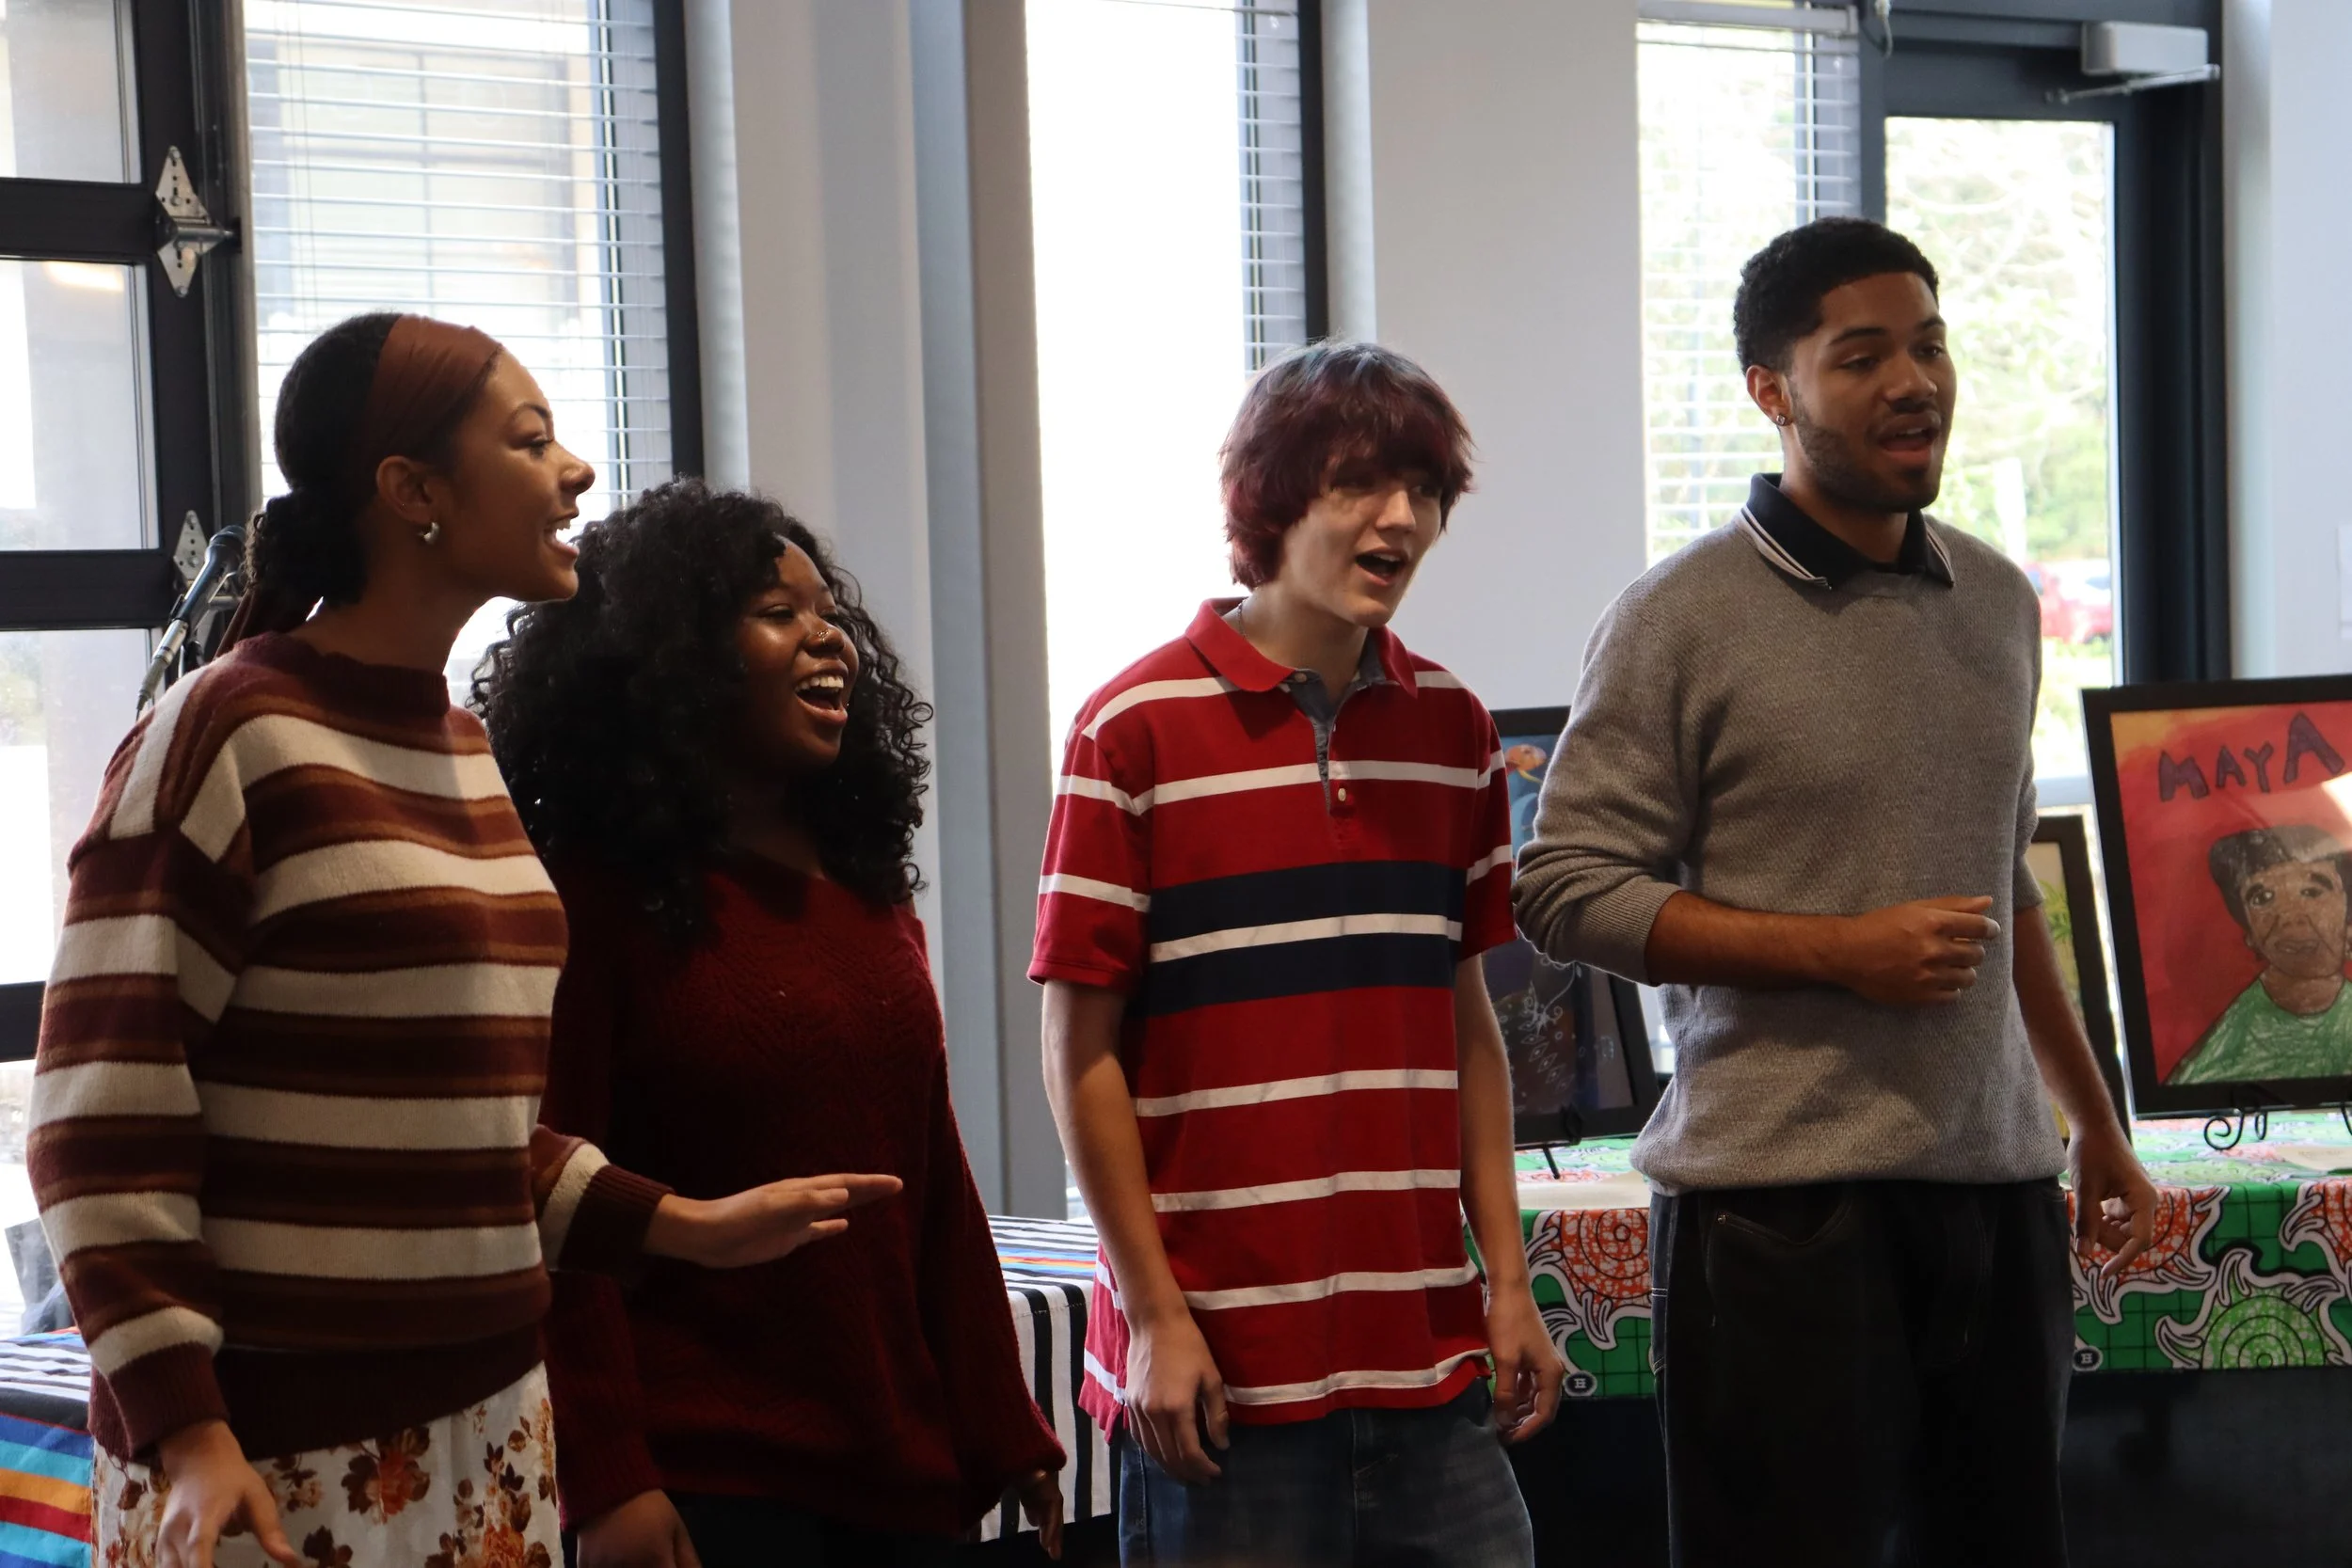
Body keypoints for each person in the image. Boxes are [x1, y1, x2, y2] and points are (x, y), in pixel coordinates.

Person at [30, 315, 898, 1568]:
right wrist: (190, 1427)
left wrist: (682, 1224)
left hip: (488, 1435)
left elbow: (460, 1123)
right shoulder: (229, 732)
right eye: (531, 440)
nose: (576, 471)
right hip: (275, 1459)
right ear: (414, 491)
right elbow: (96, 1124)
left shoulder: (459, 747)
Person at [1515, 218, 2163, 1567]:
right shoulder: (1678, 615)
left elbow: (2003, 880)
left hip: (1997, 1192)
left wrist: (2094, 1120)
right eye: (1861, 356)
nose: (1912, 382)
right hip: (1779, 1214)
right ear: (1772, 388)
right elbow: (1565, 888)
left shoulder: (1997, 599)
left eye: (1929, 345)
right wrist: (1837, 950)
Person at [1033, 341, 1562, 1567]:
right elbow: (1078, 1051)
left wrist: (1509, 1281)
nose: (1402, 519)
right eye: (1360, 483)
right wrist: (1154, 1316)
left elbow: (1465, 1027)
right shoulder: (1131, 728)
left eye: (1424, 489)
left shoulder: (1454, 730)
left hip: (1428, 1362)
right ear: (1269, 500)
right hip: (1221, 1380)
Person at [474, 481, 1066, 1568]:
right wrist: (609, 1477)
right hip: (708, 1478)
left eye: (828, 614)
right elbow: (556, 1205)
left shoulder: (866, 889)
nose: (828, 639)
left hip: (900, 1469)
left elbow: (928, 1177)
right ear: (673, 658)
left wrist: (1003, 1423)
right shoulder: (590, 902)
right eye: (777, 612)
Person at [2171, 824, 2352, 1084]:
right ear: (2250, 934)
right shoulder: (2224, 1051)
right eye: (2263, 898)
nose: (2289, 917)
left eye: (2311, 892)